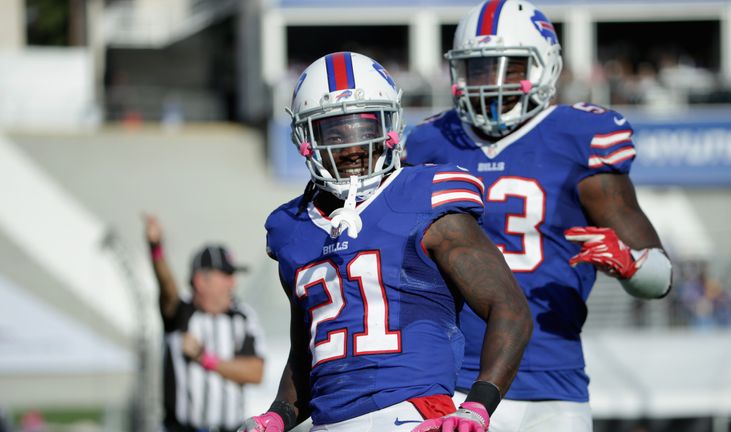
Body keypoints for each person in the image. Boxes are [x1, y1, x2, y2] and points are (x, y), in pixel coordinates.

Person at [404, 1, 673, 430]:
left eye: (507, 68)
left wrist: (632, 265)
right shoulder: (428, 143)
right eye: (477, 69)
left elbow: (660, 280)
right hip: (452, 381)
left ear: (545, 67)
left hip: (553, 383)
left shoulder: (580, 137)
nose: (490, 83)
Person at [237, 51, 532, 432]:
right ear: (306, 139)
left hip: (414, 413)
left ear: (391, 125)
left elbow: (509, 308)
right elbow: (308, 350)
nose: (354, 146)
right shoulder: (290, 228)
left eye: (365, 127)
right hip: (329, 423)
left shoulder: (425, 197)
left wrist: (477, 405)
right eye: (335, 132)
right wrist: (279, 414)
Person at [144, 214, 266, 432]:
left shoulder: (242, 317)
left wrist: (205, 358)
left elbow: (255, 372)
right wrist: (156, 249)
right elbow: (167, 287)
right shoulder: (181, 312)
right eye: (226, 275)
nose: (233, 283)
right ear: (201, 280)